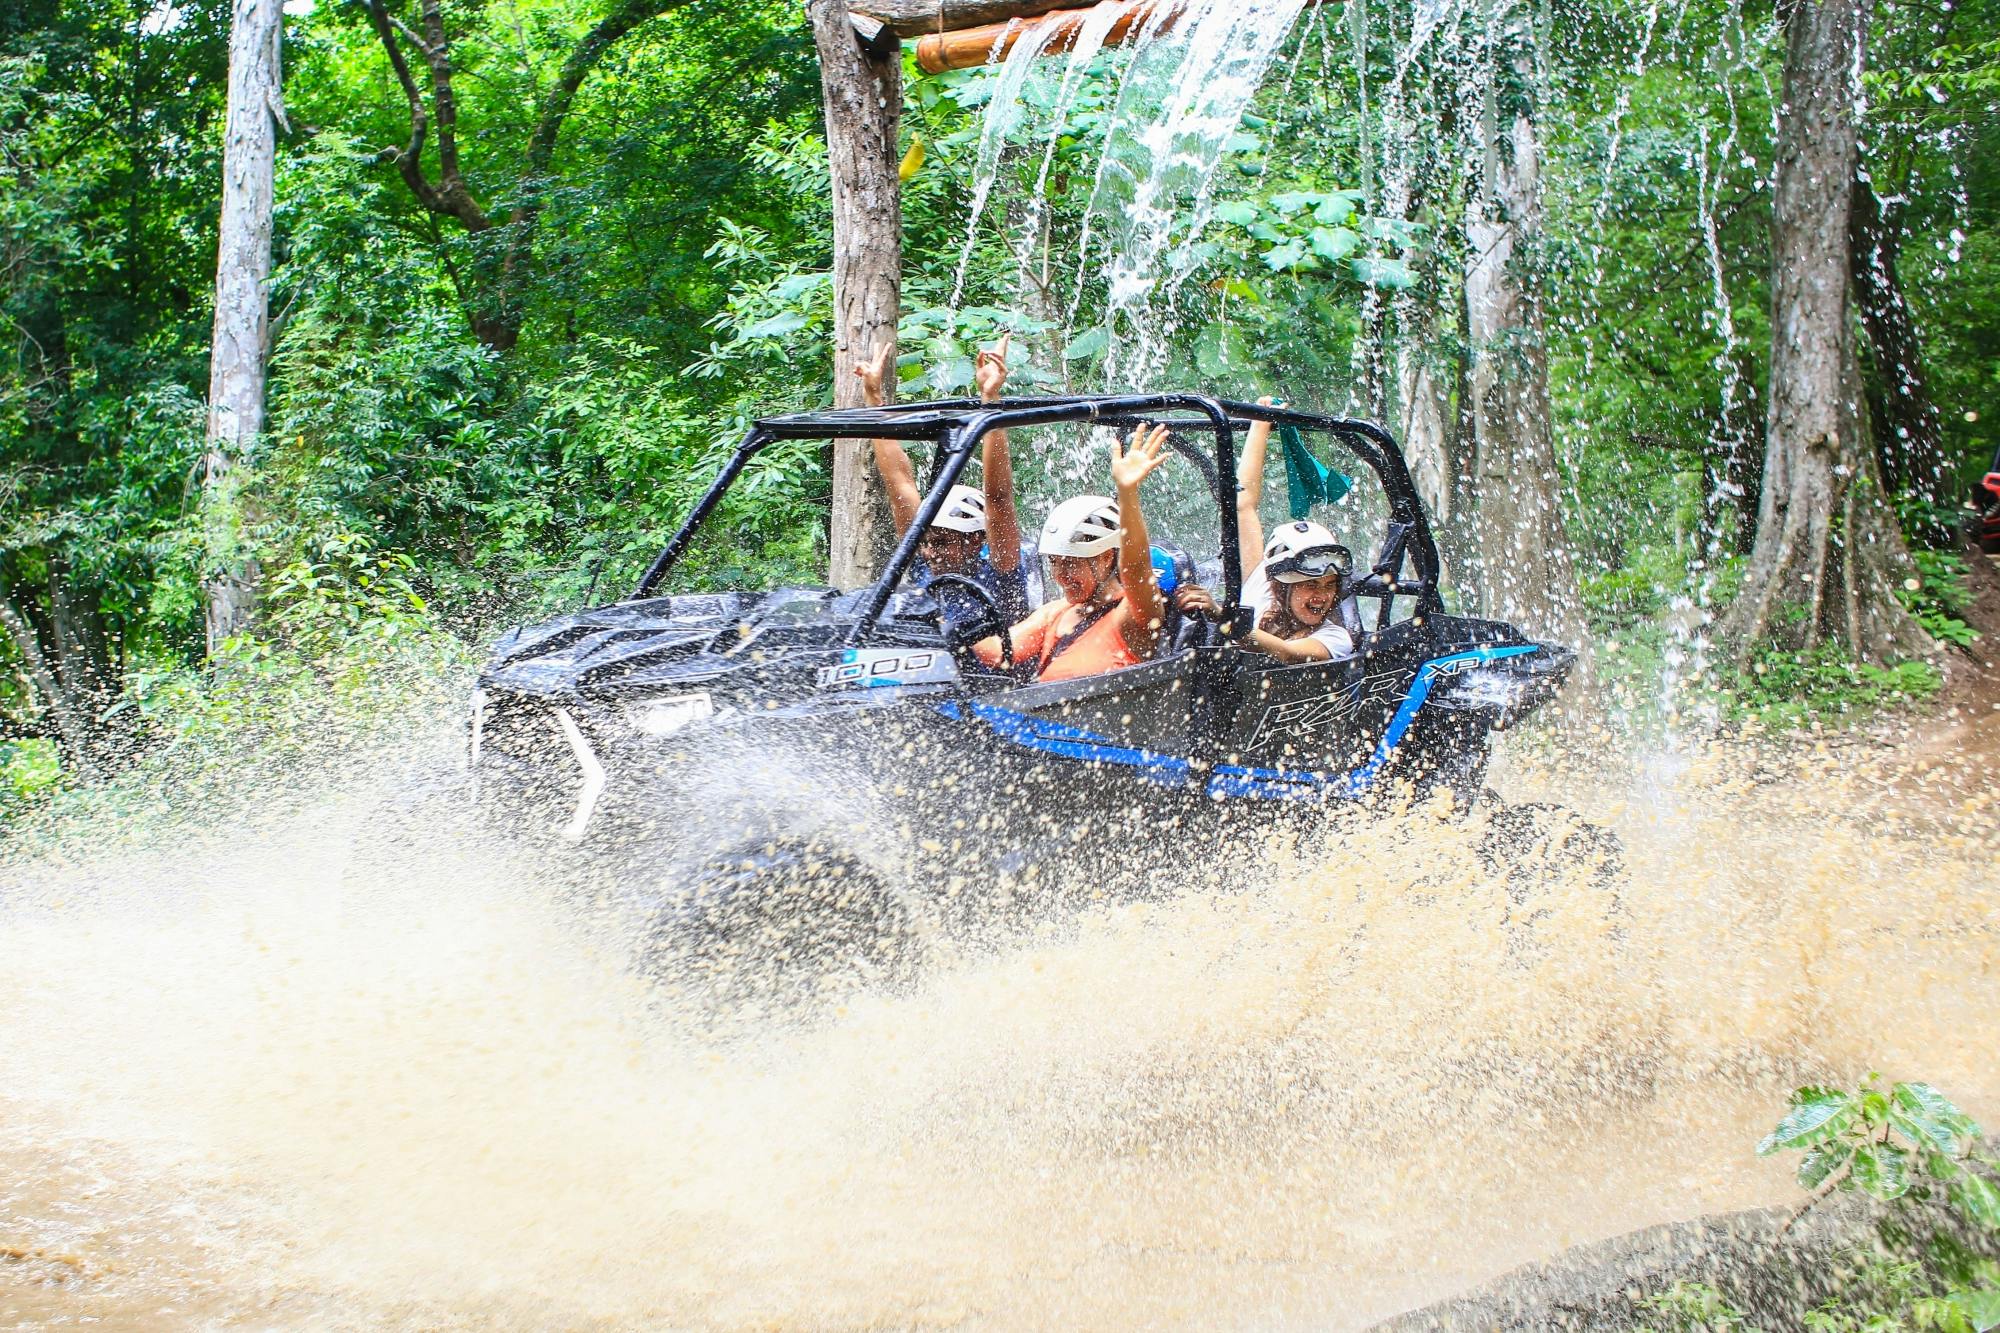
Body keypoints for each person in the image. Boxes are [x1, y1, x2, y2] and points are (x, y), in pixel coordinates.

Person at [973, 424, 1174, 683]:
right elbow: (999, 652)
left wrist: (1128, 492)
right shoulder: (1054, 613)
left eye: (1070, 563)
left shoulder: (1135, 616)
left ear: (1105, 557)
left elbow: (1136, 568)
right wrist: (945, 627)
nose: (1059, 576)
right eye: (1054, 563)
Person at [856, 333, 1032, 625]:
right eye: (927, 542)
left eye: (939, 543)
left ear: (975, 541)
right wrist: (874, 399)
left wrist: (990, 402)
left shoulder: (1001, 569)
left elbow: (998, 499)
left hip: (998, 668)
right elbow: (900, 483)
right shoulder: (925, 567)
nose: (927, 551)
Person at [1174, 398, 1357, 664]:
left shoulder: (1336, 638)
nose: (1322, 596)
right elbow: (1243, 504)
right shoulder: (1260, 584)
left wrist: (1221, 615)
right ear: (1280, 586)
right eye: (1309, 584)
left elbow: (1288, 652)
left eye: (1330, 586)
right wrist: (1260, 425)